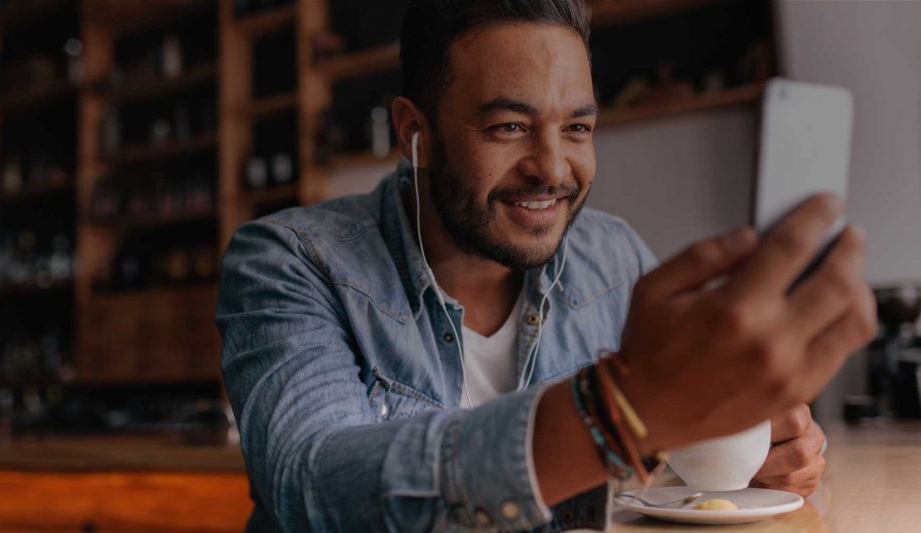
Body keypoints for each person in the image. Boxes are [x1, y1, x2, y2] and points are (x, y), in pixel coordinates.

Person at [216, 1, 876, 530]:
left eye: (578, 129)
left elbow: (668, 473)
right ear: (414, 132)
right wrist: (616, 411)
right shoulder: (289, 262)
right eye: (509, 126)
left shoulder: (612, 257)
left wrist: (753, 452)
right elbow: (311, 487)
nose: (554, 169)